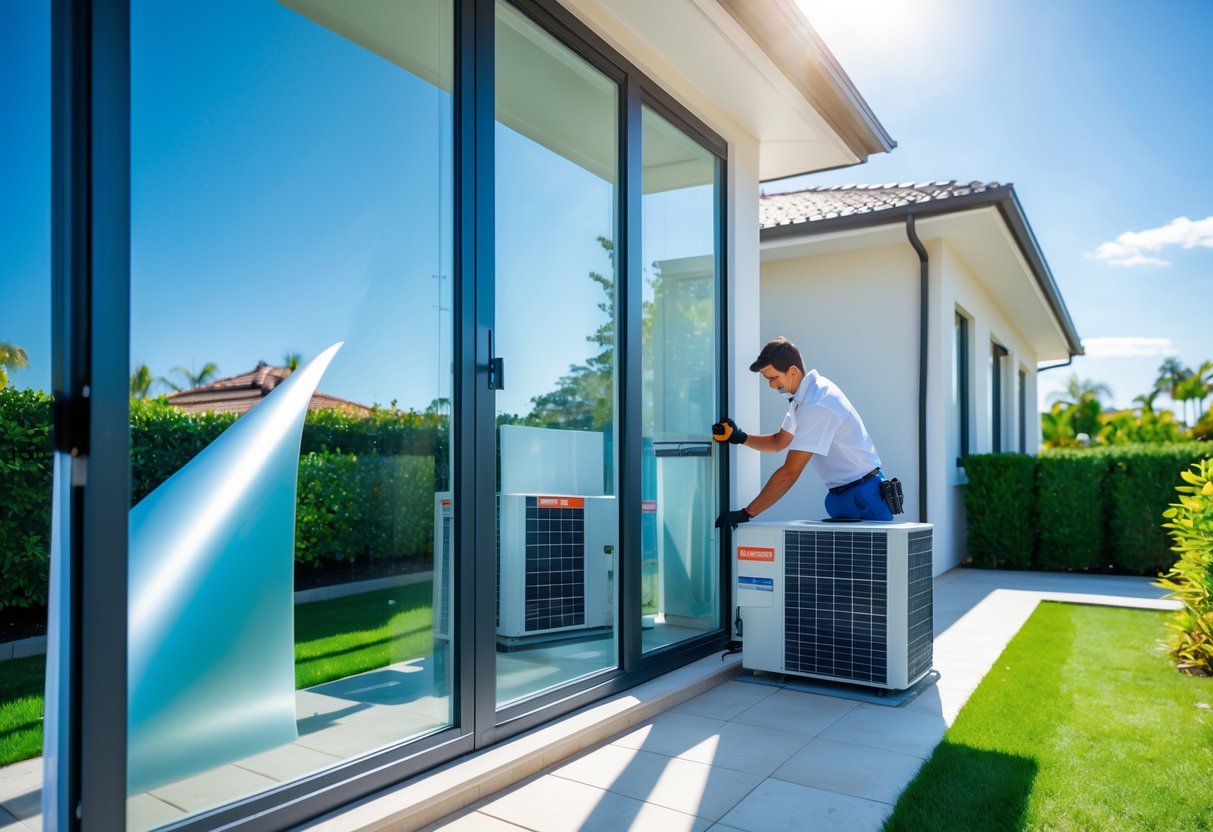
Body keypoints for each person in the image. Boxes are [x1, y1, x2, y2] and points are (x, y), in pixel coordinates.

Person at [714, 336, 896, 526]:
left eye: (774, 378)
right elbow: (779, 442)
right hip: (842, 496)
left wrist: (746, 513)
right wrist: (739, 437)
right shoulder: (802, 399)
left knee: (870, 556)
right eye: (767, 380)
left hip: (863, 496)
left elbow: (789, 473)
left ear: (792, 371)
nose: (771, 385)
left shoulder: (818, 403)